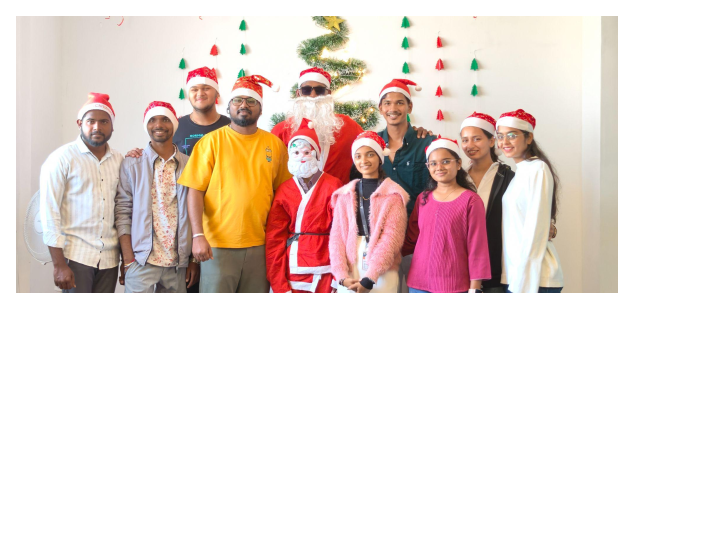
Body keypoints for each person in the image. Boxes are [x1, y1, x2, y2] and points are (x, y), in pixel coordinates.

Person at [178, 75, 290, 293]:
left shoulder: (275, 145)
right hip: (217, 246)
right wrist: (198, 236)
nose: (244, 105)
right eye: (238, 100)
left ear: (261, 108)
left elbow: (283, 194)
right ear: (228, 106)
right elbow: (194, 192)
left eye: (251, 101)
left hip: (261, 245)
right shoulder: (210, 142)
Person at [125, 66, 229, 293]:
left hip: (217, 226)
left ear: (217, 92)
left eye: (206, 88)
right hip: (185, 231)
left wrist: (192, 258)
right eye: (194, 88)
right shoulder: (177, 127)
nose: (200, 93)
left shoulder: (230, 127)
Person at [272, 68, 432, 184]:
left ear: (328, 94)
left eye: (319, 90)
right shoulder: (280, 131)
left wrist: (413, 132)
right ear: (299, 93)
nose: (313, 96)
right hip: (292, 209)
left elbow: (373, 146)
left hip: (340, 208)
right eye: (306, 90)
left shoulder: (347, 126)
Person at [39, 93, 123, 293]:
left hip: (110, 260)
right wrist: (59, 265)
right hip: (76, 257)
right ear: (80, 123)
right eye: (91, 121)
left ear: (112, 126)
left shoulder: (120, 160)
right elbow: (49, 211)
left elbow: (123, 209)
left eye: (104, 122)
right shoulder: (61, 159)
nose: (97, 127)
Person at [115, 101, 199, 293]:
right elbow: (122, 213)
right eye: (152, 120)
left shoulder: (189, 165)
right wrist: (128, 260)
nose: (159, 125)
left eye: (165, 119)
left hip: (177, 264)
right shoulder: (132, 164)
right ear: (146, 125)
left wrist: (193, 260)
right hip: (141, 261)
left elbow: (198, 213)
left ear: (174, 125)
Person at [403, 138, 491, 293]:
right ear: (428, 167)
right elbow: (411, 238)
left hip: (453, 284)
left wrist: (475, 288)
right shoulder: (423, 198)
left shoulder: (471, 201)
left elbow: (477, 247)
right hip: (418, 283)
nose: (439, 167)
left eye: (445, 161)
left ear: (458, 164)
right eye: (433, 163)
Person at [265, 120, 343, 293]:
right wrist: (279, 285)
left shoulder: (333, 185)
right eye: (296, 152)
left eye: (307, 152)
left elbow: (342, 233)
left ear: (316, 154)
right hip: (292, 267)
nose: (301, 157)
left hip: (327, 266)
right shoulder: (284, 189)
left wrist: (339, 276)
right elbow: (274, 238)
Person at [376, 78, 436, 292]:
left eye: (400, 102)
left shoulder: (428, 143)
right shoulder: (371, 144)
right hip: (381, 240)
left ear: (410, 107)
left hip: (419, 240)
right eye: (387, 103)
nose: (393, 108)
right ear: (380, 108)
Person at [330, 132, 408, 294]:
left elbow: (391, 239)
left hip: (383, 269)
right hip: (350, 265)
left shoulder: (394, 195)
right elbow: (337, 237)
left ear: (380, 158)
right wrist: (341, 275)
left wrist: (370, 277)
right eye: (358, 156)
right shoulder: (344, 194)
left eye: (370, 154)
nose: (363, 160)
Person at [497, 109, 564, 293]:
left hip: (534, 279)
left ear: (529, 138)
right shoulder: (521, 171)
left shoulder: (538, 169)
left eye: (512, 135)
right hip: (518, 276)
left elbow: (536, 228)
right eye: (500, 136)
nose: (504, 142)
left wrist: (523, 282)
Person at [459, 112, 515, 293]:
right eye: (465, 140)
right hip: (462, 270)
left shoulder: (508, 177)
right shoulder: (457, 178)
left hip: (496, 268)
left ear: (492, 141)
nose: (470, 145)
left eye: (477, 139)